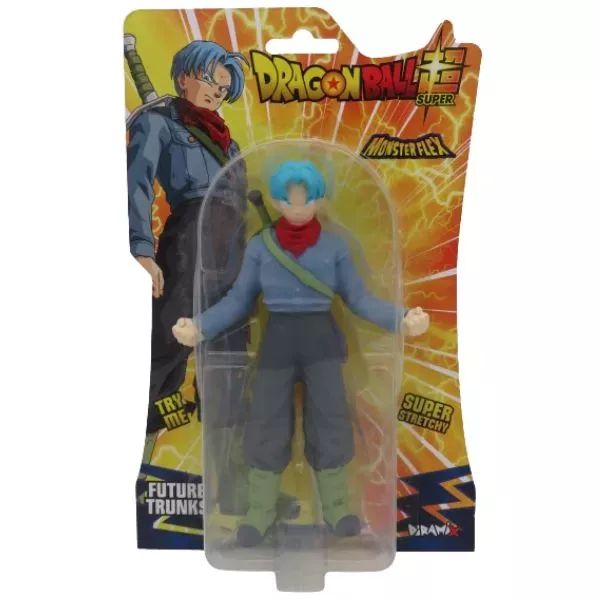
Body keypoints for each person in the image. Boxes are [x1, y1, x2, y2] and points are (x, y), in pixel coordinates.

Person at [172, 160, 430, 546]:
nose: (297, 207)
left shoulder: (334, 246)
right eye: (288, 199)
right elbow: (239, 299)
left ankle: (338, 508)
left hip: (321, 342)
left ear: (319, 199)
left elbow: (359, 298)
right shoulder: (261, 246)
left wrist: (401, 318)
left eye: (305, 199)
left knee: (331, 421)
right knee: (265, 423)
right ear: (276, 201)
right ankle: (260, 511)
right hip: (277, 342)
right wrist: (200, 326)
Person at [127, 41, 249, 511]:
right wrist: (141, 249)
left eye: (224, 88)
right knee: (169, 347)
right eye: (210, 81)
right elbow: (137, 181)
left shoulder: (227, 142)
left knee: (229, 356)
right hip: (190, 237)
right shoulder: (159, 123)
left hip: (233, 242)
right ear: (184, 76)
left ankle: (233, 489)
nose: (216, 92)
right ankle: (147, 466)